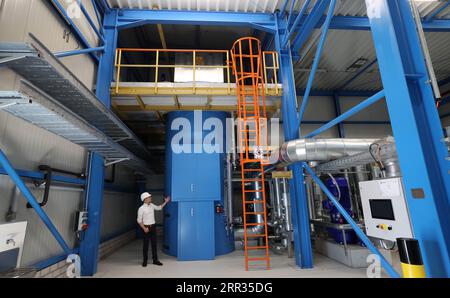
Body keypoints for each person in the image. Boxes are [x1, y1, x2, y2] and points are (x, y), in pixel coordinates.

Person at [137, 192, 170, 267]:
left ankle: (155, 260)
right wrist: (144, 228)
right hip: (146, 227)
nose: (150, 198)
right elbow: (139, 220)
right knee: (146, 245)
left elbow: (159, 208)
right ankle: (145, 261)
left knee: (154, 244)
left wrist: (165, 202)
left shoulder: (151, 205)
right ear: (145, 199)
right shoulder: (141, 209)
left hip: (153, 227)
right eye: (149, 197)